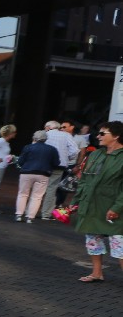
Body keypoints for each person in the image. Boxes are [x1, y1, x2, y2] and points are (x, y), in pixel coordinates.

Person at [73, 122, 123, 282]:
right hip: (92, 205)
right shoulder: (95, 154)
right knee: (93, 240)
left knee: (119, 244)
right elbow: (84, 179)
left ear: (116, 136)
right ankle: (97, 273)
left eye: (102, 133)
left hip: (113, 207)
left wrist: (117, 207)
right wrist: (77, 200)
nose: (98, 136)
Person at [14, 129, 60, 223]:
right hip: (43, 174)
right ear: (45, 139)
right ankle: (30, 217)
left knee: (23, 194)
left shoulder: (28, 147)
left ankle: (19, 215)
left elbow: (20, 161)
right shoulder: (52, 149)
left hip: (26, 172)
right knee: (37, 196)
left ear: (34, 138)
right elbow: (56, 163)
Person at [39, 119, 79, 220]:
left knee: (38, 187)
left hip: (43, 164)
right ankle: (46, 213)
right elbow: (75, 150)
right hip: (59, 165)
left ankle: (30, 211)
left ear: (48, 127)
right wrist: (66, 157)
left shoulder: (43, 134)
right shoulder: (66, 135)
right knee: (52, 188)